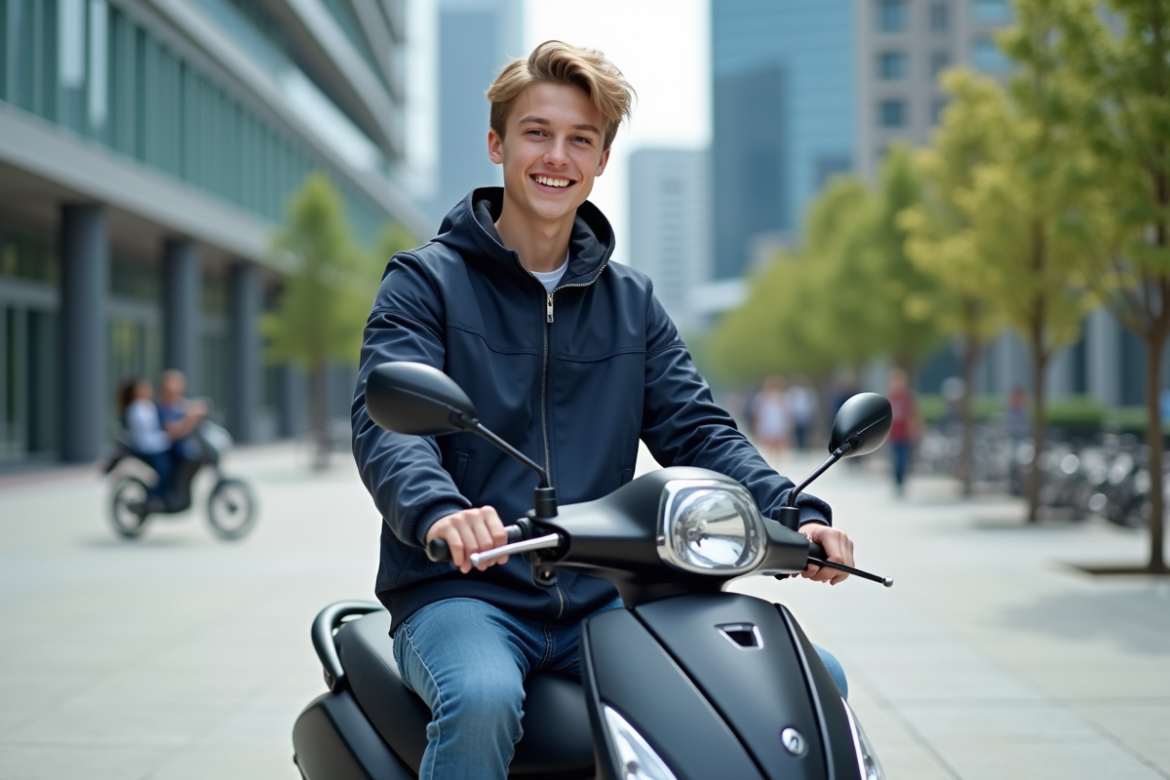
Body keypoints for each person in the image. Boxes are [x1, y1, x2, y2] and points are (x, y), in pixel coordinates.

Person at [351, 41, 856, 780]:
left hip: (602, 596)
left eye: (580, 139)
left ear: (600, 160)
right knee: (483, 698)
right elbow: (388, 421)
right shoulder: (424, 283)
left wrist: (795, 511)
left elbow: (697, 428)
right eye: (537, 132)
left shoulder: (632, 303)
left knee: (808, 680)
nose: (557, 156)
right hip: (466, 591)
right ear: (497, 144)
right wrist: (438, 513)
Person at [118, 377, 174, 512]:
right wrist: (166, 438)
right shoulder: (136, 409)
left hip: (155, 444)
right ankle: (154, 498)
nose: (147, 390)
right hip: (148, 448)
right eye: (143, 388)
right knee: (165, 468)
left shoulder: (148, 405)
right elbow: (145, 435)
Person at [157, 369, 208, 462]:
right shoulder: (162, 408)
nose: (177, 387)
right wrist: (191, 419)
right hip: (170, 449)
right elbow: (172, 433)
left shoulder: (182, 404)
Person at [887, 368, 920, 496]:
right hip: (894, 435)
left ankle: (902, 482)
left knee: (903, 460)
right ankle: (897, 481)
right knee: (896, 460)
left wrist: (916, 430)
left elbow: (914, 415)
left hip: (905, 435)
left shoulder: (908, 397)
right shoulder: (890, 397)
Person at [750, 375, 791, 462]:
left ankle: (777, 461)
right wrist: (756, 425)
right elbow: (758, 413)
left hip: (779, 422)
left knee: (779, 443)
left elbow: (787, 412)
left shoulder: (784, 397)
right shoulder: (762, 397)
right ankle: (771, 460)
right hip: (768, 422)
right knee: (769, 443)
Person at [786, 376, 817, 451]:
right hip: (796, 414)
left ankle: (804, 445)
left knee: (805, 430)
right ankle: (799, 445)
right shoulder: (792, 391)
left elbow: (812, 403)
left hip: (805, 414)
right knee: (797, 431)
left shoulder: (808, 392)